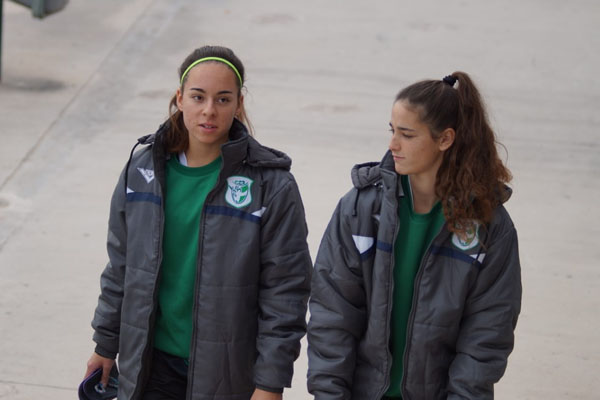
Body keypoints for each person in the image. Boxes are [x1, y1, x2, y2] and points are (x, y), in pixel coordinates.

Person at [84, 45, 312, 400]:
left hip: (226, 375)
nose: (209, 111)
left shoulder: (272, 185)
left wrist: (270, 382)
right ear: (180, 98)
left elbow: (285, 292)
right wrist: (105, 342)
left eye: (223, 99)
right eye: (198, 96)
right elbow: (122, 266)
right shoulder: (143, 170)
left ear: (239, 104)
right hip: (149, 365)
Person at [307, 72, 521, 399]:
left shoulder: (490, 226)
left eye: (407, 135)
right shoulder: (360, 210)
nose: (393, 145)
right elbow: (332, 315)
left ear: (445, 139)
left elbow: (487, 335)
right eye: (392, 131)